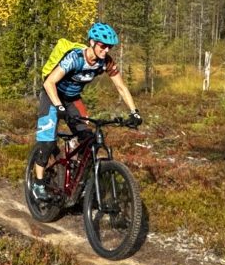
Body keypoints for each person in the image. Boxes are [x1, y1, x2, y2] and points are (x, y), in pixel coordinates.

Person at [29, 21, 141, 203]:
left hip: (73, 99)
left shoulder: (105, 62)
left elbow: (121, 87)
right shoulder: (75, 58)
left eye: (109, 47)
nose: (106, 50)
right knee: (47, 142)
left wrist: (134, 112)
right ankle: (39, 183)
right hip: (52, 96)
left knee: (88, 138)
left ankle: (76, 178)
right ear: (92, 42)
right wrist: (58, 106)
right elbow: (49, 83)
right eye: (102, 46)